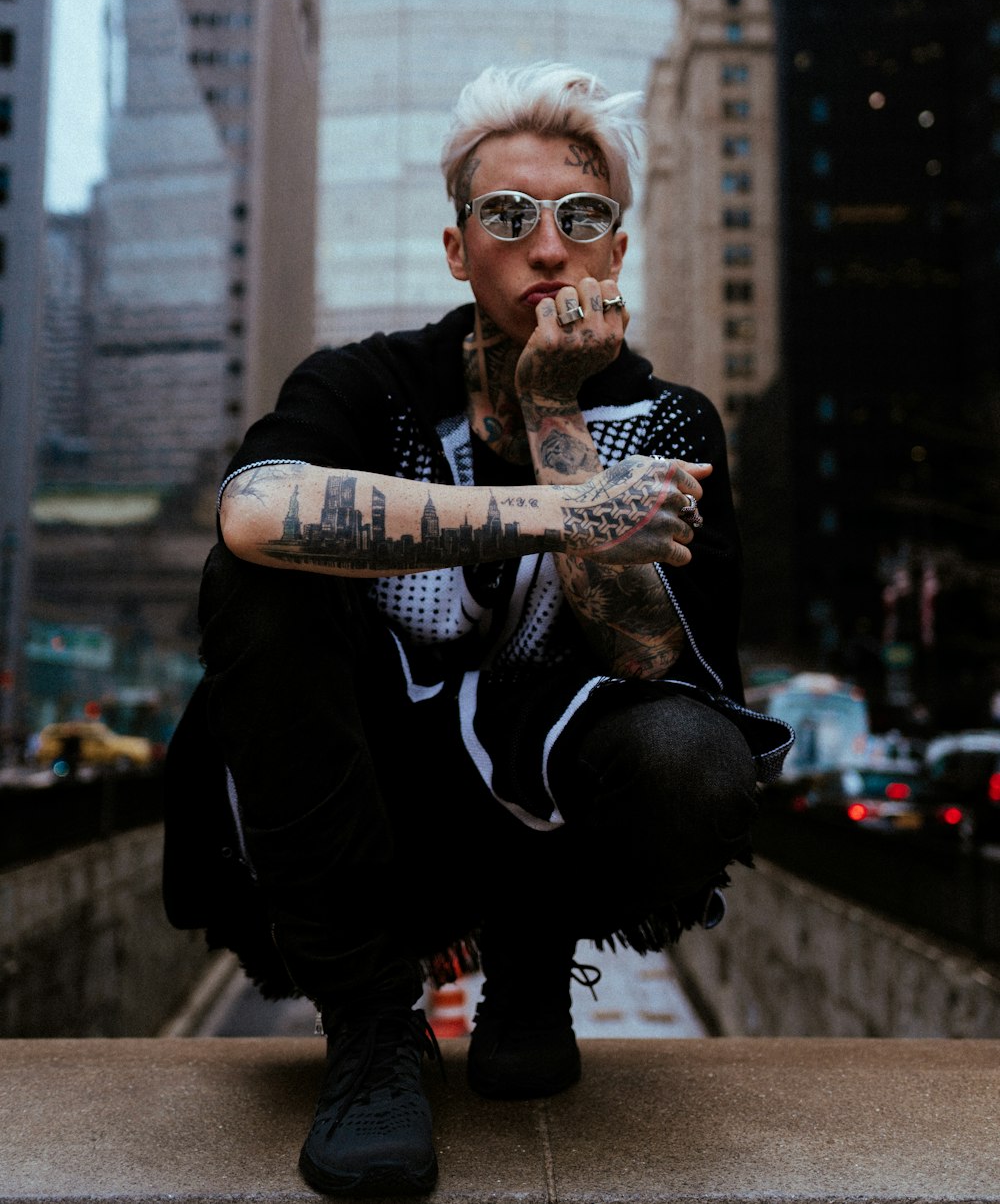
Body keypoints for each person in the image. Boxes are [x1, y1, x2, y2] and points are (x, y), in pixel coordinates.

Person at [163, 61, 794, 1198]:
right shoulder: (373, 387)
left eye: (582, 217)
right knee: (257, 581)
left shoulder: (666, 420)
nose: (547, 248)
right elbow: (252, 510)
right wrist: (570, 510)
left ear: (616, 247)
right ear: (459, 248)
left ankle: (532, 950)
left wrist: (558, 414)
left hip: (546, 792)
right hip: (376, 794)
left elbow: (659, 670)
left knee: (688, 755)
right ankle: (371, 1027)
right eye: (507, 216)